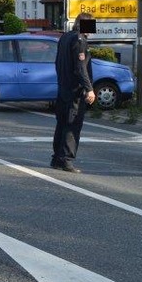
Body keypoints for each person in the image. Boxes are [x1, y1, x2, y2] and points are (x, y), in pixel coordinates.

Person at [51, 12, 96, 173]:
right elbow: (80, 67)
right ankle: (67, 159)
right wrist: (89, 89)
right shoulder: (79, 40)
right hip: (74, 91)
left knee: (62, 123)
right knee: (72, 125)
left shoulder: (64, 37)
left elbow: (57, 63)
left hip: (63, 87)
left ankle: (57, 157)